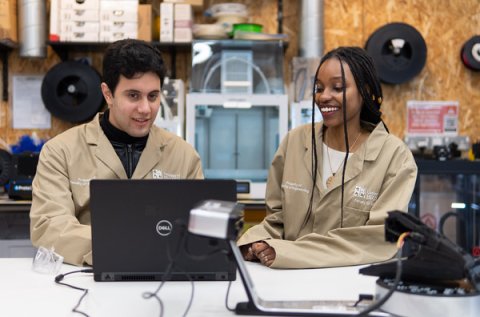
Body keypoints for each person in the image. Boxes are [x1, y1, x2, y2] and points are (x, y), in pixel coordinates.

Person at [237, 46, 418, 269]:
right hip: (287, 279)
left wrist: (288, 253)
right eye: (319, 88)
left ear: (365, 90)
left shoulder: (395, 157)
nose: (323, 96)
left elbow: (380, 239)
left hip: (353, 286)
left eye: (338, 87)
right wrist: (251, 243)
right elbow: (277, 219)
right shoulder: (294, 142)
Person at [30, 39, 203, 266]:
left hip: (163, 281)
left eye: (153, 96)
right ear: (108, 94)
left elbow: (200, 229)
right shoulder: (60, 151)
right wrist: (122, 246)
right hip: (87, 279)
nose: (145, 109)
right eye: (133, 95)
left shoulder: (184, 155)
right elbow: (49, 227)